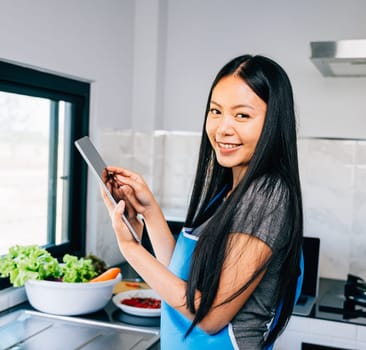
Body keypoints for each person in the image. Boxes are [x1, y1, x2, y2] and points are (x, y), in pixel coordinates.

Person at [100, 54, 303, 349]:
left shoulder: (268, 196)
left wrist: (130, 249)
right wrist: (149, 212)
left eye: (242, 115)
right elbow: (182, 274)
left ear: (274, 122)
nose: (222, 128)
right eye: (216, 111)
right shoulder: (229, 192)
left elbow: (210, 316)